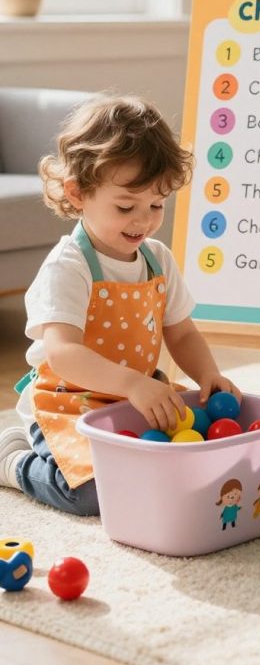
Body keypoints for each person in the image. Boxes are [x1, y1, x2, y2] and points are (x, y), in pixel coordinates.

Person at [0, 93, 240, 516]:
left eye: (156, 205)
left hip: (138, 397)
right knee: (94, 493)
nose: (143, 220)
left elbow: (181, 331)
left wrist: (208, 374)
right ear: (77, 194)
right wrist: (131, 382)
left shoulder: (157, 259)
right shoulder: (68, 266)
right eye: (126, 206)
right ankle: (15, 462)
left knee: (193, 461)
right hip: (69, 401)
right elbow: (64, 353)